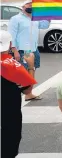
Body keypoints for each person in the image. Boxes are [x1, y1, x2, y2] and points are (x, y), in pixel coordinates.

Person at [1, 30, 36, 158]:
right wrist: (31, 66)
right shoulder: (13, 66)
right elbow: (27, 90)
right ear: (10, 44)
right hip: (9, 117)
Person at [8, 0, 50, 101]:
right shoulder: (15, 19)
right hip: (23, 50)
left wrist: (49, 15)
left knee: (32, 69)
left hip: (34, 49)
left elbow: (44, 25)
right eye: (28, 5)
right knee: (23, 72)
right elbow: (11, 36)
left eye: (32, 5)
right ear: (23, 7)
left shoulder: (34, 18)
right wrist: (15, 50)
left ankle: (29, 93)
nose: (31, 6)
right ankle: (20, 93)